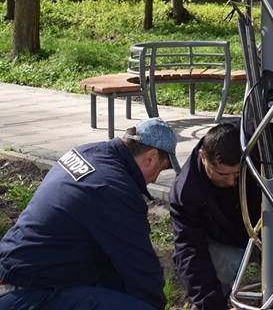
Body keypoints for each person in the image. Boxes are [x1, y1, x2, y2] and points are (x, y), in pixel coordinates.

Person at [0, 117, 179, 309]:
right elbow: (140, 268)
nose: (155, 179)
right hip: (28, 293)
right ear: (150, 158)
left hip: (18, 271)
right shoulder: (113, 188)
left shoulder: (86, 153)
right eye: (161, 169)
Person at [170, 122, 273, 310]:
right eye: (222, 175)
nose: (231, 182)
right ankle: (220, 296)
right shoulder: (186, 190)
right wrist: (209, 303)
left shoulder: (256, 139)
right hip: (226, 241)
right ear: (203, 156)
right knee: (226, 265)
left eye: (236, 174)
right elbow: (189, 250)